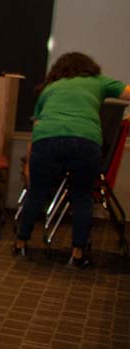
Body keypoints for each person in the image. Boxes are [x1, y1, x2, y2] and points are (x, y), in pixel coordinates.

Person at [13, 52, 129, 267]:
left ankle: (21, 242)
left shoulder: (49, 89)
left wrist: (29, 164)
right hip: (85, 140)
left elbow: (36, 128)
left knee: (36, 193)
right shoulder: (98, 81)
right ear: (89, 67)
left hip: (46, 140)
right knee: (82, 197)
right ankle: (77, 253)